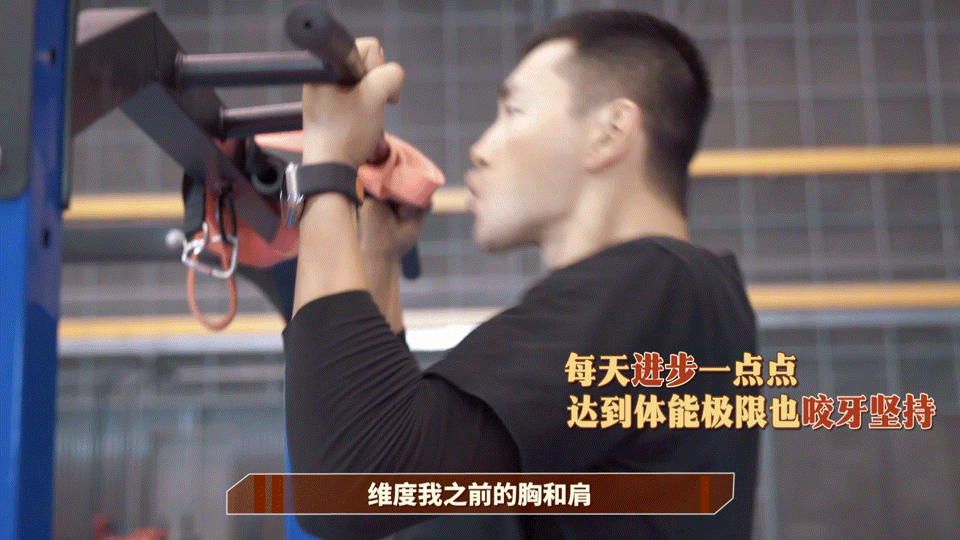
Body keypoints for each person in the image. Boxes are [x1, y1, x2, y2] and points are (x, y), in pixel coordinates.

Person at [282, 9, 760, 540]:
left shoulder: (660, 284)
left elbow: (347, 485)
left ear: (610, 132)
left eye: (513, 111)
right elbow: (396, 494)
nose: (480, 149)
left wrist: (327, 164)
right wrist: (377, 257)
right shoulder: (678, 303)